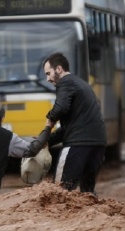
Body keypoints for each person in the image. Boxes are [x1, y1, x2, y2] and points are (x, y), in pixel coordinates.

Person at [43, 52, 106, 194]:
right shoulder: (81, 84)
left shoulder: (65, 82)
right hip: (98, 144)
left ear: (59, 69)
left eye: (48, 73)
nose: (47, 79)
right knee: (87, 193)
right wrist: (47, 141)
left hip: (78, 144)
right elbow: (70, 127)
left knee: (59, 192)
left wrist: (48, 125)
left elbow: (60, 108)